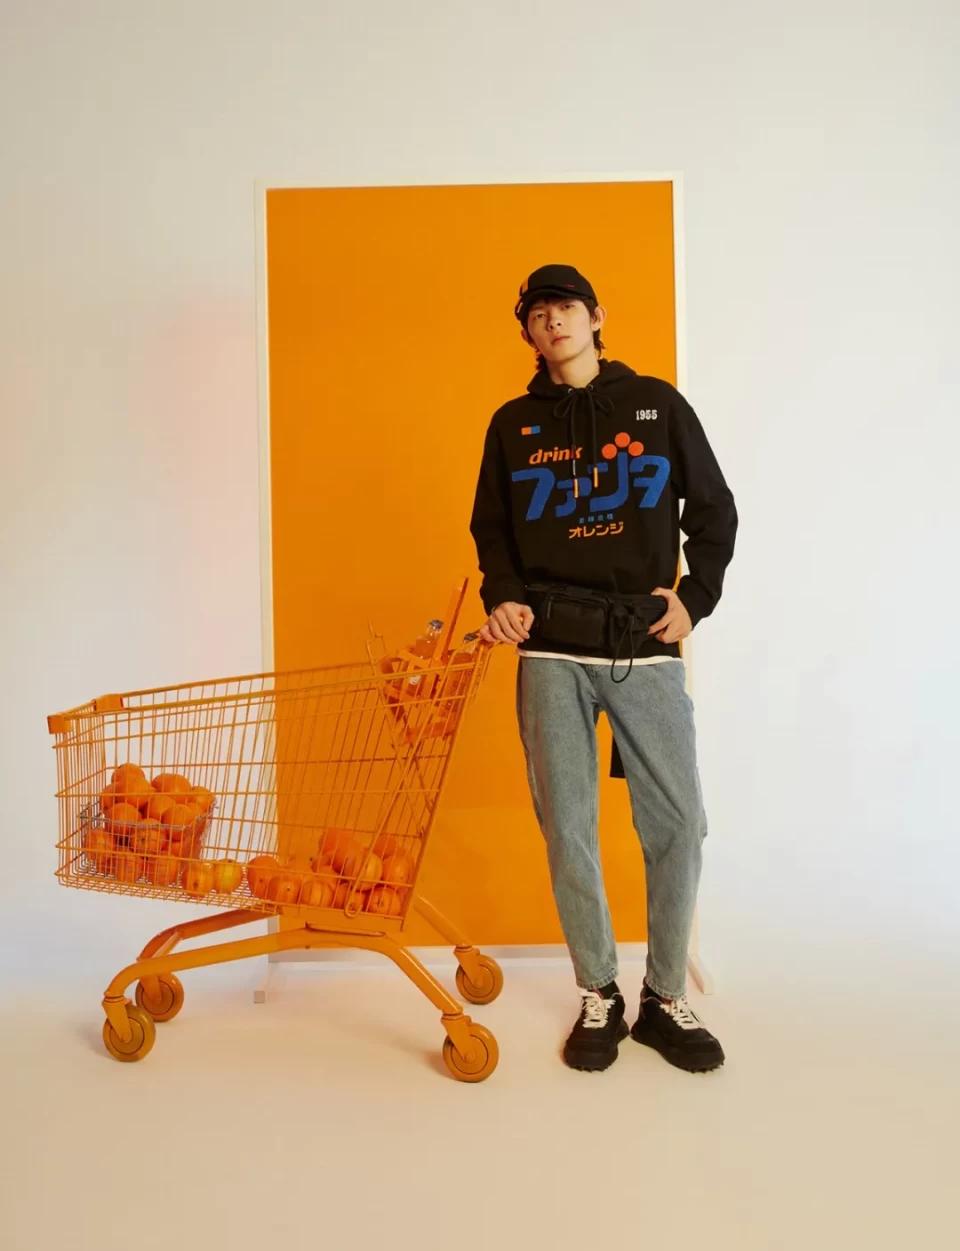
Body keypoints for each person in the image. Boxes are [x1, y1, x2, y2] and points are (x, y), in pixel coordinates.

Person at [469, 264, 738, 1074]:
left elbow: (714, 507)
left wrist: (696, 597)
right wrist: (503, 597)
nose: (552, 321)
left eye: (565, 308)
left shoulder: (655, 405)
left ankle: (664, 996)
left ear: (596, 316)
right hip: (550, 649)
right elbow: (492, 530)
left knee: (678, 822)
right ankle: (599, 990)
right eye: (538, 313)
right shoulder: (514, 424)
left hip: (639, 643)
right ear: (529, 331)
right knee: (569, 826)